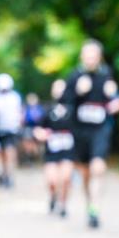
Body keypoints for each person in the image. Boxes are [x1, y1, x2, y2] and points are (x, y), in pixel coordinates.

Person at [61, 39, 119, 229]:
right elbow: (63, 103)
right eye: (87, 55)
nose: (90, 59)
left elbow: (117, 100)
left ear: (99, 57)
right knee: (86, 173)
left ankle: (95, 207)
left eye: (94, 55)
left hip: (100, 129)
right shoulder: (74, 77)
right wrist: (78, 92)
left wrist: (116, 102)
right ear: (82, 56)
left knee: (98, 167)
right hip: (80, 132)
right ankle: (91, 207)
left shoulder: (107, 76)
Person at [34, 79, 75, 217]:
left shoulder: (73, 109)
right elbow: (38, 128)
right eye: (56, 88)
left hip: (68, 150)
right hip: (51, 150)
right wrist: (40, 134)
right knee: (52, 180)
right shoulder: (47, 109)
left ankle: (63, 204)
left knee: (66, 178)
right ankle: (53, 196)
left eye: (62, 89)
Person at [21, 92, 45, 164]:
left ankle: (37, 157)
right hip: (28, 127)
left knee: (38, 145)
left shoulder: (40, 108)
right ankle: (29, 158)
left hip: (37, 127)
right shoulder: (26, 109)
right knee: (27, 143)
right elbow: (23, 119)